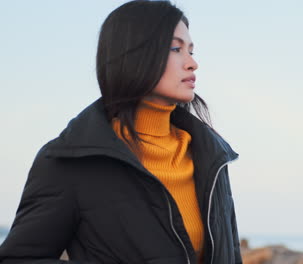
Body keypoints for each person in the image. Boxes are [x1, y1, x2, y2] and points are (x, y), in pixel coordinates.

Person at [0, 1, 242, 263]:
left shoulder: (211, 155)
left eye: (192, 51)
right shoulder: (69, 161)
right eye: (176, 49)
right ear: (133, 54)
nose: (193, 63)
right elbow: (18, 258)